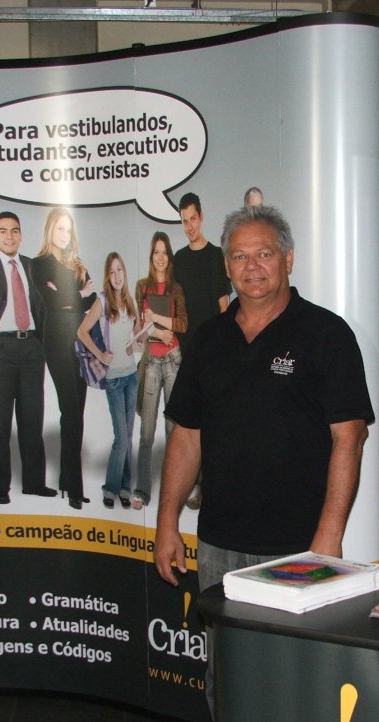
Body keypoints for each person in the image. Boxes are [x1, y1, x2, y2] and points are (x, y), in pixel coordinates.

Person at [153, 205, 374, 715]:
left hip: (297, 549)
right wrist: (167, 522)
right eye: (240, 256)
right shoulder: (207, 338)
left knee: (298, 683)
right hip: (218, 548)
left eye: (265, 254)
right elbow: (187, 436)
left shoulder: (326, 334)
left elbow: (350, 438)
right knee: (227, 681)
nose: (252, 266)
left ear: (289, 259)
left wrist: (329, 538)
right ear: (226, 266)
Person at [0, 212, 57, 505]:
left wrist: (44, 343)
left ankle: (33, 483)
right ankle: (1, 488)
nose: (9, 236)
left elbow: (42, 308)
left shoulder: (31, 267)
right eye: (3, 231)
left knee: (32, 420)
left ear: (21, 234)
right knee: (0, 424)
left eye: (14, 231)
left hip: (30, 350)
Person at [31, 208, 96, 509]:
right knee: (70, 410)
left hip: (80, 337)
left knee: (77, 412)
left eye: (68, 230)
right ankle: (74, 488)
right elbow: (54, 301)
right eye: (59, 229)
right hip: (56, 338)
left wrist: (75, 295)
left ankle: (66, 479)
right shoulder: (39, 264)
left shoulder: (76, 264)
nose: (64, 235)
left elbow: (93, 299)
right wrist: (77, 295)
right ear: (50, 230)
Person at [171, 192, 232, 509]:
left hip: (213, 351)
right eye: (184, 221)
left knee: (216, 422)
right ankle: (194, 485)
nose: (189, 226)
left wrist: (225, 347)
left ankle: (213, 485)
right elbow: (175, 306)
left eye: (192, 219)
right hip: (185, 352)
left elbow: (224, 305)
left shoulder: (215, 257)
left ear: (201, 217)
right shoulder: (178, 259)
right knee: (190, 423)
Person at [77, 252, 141, 510]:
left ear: (125, 273)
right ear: (107, 276)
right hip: (114, 380)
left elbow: (137, 341)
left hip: (131, 376)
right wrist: (100, 353)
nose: (117, 276)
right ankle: (110, 488)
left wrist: (141, 339)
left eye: (120, 270)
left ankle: (125, 488)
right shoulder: (102, 302)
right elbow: (81, 332)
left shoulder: (130, 301)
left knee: (128, 435)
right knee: (121, 439)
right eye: (112, 272)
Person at [134, 232, 188, 510]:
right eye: (156, 251)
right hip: (152, 361)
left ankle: (173, 491)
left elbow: (182, 324)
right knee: (146, 432)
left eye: (164, 251)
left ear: (169, 256)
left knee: (173, 431)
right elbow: (140, 326)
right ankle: (142, 491)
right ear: (151, 256)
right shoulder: (142, 287)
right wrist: (156, 329)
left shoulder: (176, 288)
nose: (160, 257)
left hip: (173, 360)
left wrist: (162, 324)